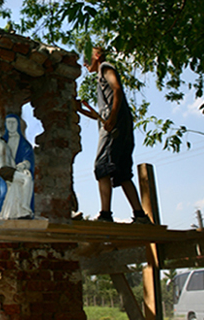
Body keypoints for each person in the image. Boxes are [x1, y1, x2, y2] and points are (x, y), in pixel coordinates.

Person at [77, 47, 152, 224]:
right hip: (122, 125)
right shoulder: (100, 78)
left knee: (102, 165)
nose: (84, 63)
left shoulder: (105, 67)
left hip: (115, 125)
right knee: (123, 172)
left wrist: (112, 117)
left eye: (87, 59)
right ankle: (140, 215)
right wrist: (81, 110)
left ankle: (105, 215)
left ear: (97, 55)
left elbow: (117, 89)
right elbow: (101, 116)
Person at [0, 120, 34, 219]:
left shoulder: (4, 143)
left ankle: (18, 213)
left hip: (11, 169)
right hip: (4, 170)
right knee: (26, 179)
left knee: (18, 186)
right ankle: (25, 207)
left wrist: (19, 168)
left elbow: (11, 160)